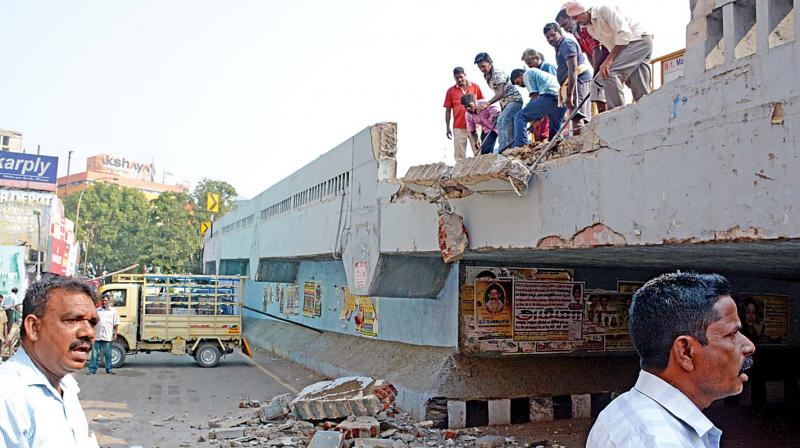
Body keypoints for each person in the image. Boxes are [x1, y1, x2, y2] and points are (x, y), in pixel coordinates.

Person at [587, 272, 756, 447]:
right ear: (686, 352)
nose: (749, 346)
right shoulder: (663, 440)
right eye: (731, 335)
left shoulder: (621, 410)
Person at [0, 277, 100, 447]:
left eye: (92, 322)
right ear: (34, 327)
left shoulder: (66, 386)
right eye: (73, 320)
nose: (89, 332)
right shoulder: (7, 395)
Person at [566, 1, 653, 110]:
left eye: (576, 17)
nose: (576, 22)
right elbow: (611, 46)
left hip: (638, 40)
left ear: (583, 11)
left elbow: (624, 34)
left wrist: (609, 61)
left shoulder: (604, 10)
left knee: (608, 73)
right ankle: (648, 118)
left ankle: (617, 116)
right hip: (626, 47)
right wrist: (622, 68)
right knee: (641, 91)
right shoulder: (590, 28)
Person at [544, 22, 594, 136]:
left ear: (559, 32)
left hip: (578, 81)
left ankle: (579, 145)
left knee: (577, 115)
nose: (551, 38)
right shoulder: (559, 48)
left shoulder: (566, 44)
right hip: (572, 84)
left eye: (553, 35)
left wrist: (570, 94)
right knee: (577, 115)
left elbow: (572, 70)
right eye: (548, 37)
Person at [556, 8, 608, 113]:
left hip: (608, 60)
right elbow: (589, 54)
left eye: (565, 24)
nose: (565, 29)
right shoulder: (576, 34)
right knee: (598, 95)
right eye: (562, 27)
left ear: (572, 18)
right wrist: (595, 70)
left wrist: (595, 73)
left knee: (603, 93)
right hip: (598, 66)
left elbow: (597, 51)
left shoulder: (586, 28)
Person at [474, 52, 524, 154]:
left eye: (483, 66)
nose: (482, 69)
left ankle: (502, 151)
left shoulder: (497, 73)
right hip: (506, 103)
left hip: (514, 100)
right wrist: (501, 111)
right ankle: (511, 152)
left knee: (501, 122)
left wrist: (487, 104)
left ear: (490, 62)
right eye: (480, 67)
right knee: (509, 128)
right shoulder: (487, 76)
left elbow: (500, 93)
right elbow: (500, 96)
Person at [509, 67, 563, 148]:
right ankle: (556, 147)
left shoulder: (527, 74)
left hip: (550, 96)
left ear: (521, 75)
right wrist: (536, 119)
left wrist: (531, 117)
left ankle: (520, 145)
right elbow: (540, 106)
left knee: (520, 116)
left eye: (518, 82)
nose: (520, 85)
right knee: (554, 137)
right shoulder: (541, 75)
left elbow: (534, 97)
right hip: (561, 99)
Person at [443, 67, 484, 161]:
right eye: (457, 78)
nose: (459, 80)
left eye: (461, 77)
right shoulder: (450, 91)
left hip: (475, 125)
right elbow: (448, 110)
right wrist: (447, 128)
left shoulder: (475, 87)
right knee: (459, 155)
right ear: (454, 78)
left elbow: (482, 104)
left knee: (480, 152)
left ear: (465, 75)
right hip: (459, 127)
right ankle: (459, 173)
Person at [88, 293, 120, 375]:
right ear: (100, 302)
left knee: (108, 355)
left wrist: (115, 334)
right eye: (102, 301)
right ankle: (92, 370)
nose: (104, 302)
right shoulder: (97, 311)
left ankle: (109, 370)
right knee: (95, 355)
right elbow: (92, 323)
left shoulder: (113, 311)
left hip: (107, 336)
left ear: (108, 301)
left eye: (105, 300)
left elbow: (116, 324)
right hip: (97, 336)